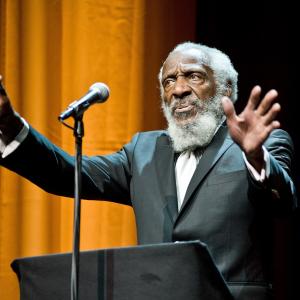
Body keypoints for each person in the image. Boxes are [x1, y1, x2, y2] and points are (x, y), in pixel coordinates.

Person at [0, 42, 297, 299]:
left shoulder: (261, 145)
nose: (179, 89)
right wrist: (11, 127)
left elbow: (281, 202)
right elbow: (67, 174)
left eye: (193, 76)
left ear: (226, 89)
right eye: (169, 81)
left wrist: (256, 158)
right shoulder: (143, 150)